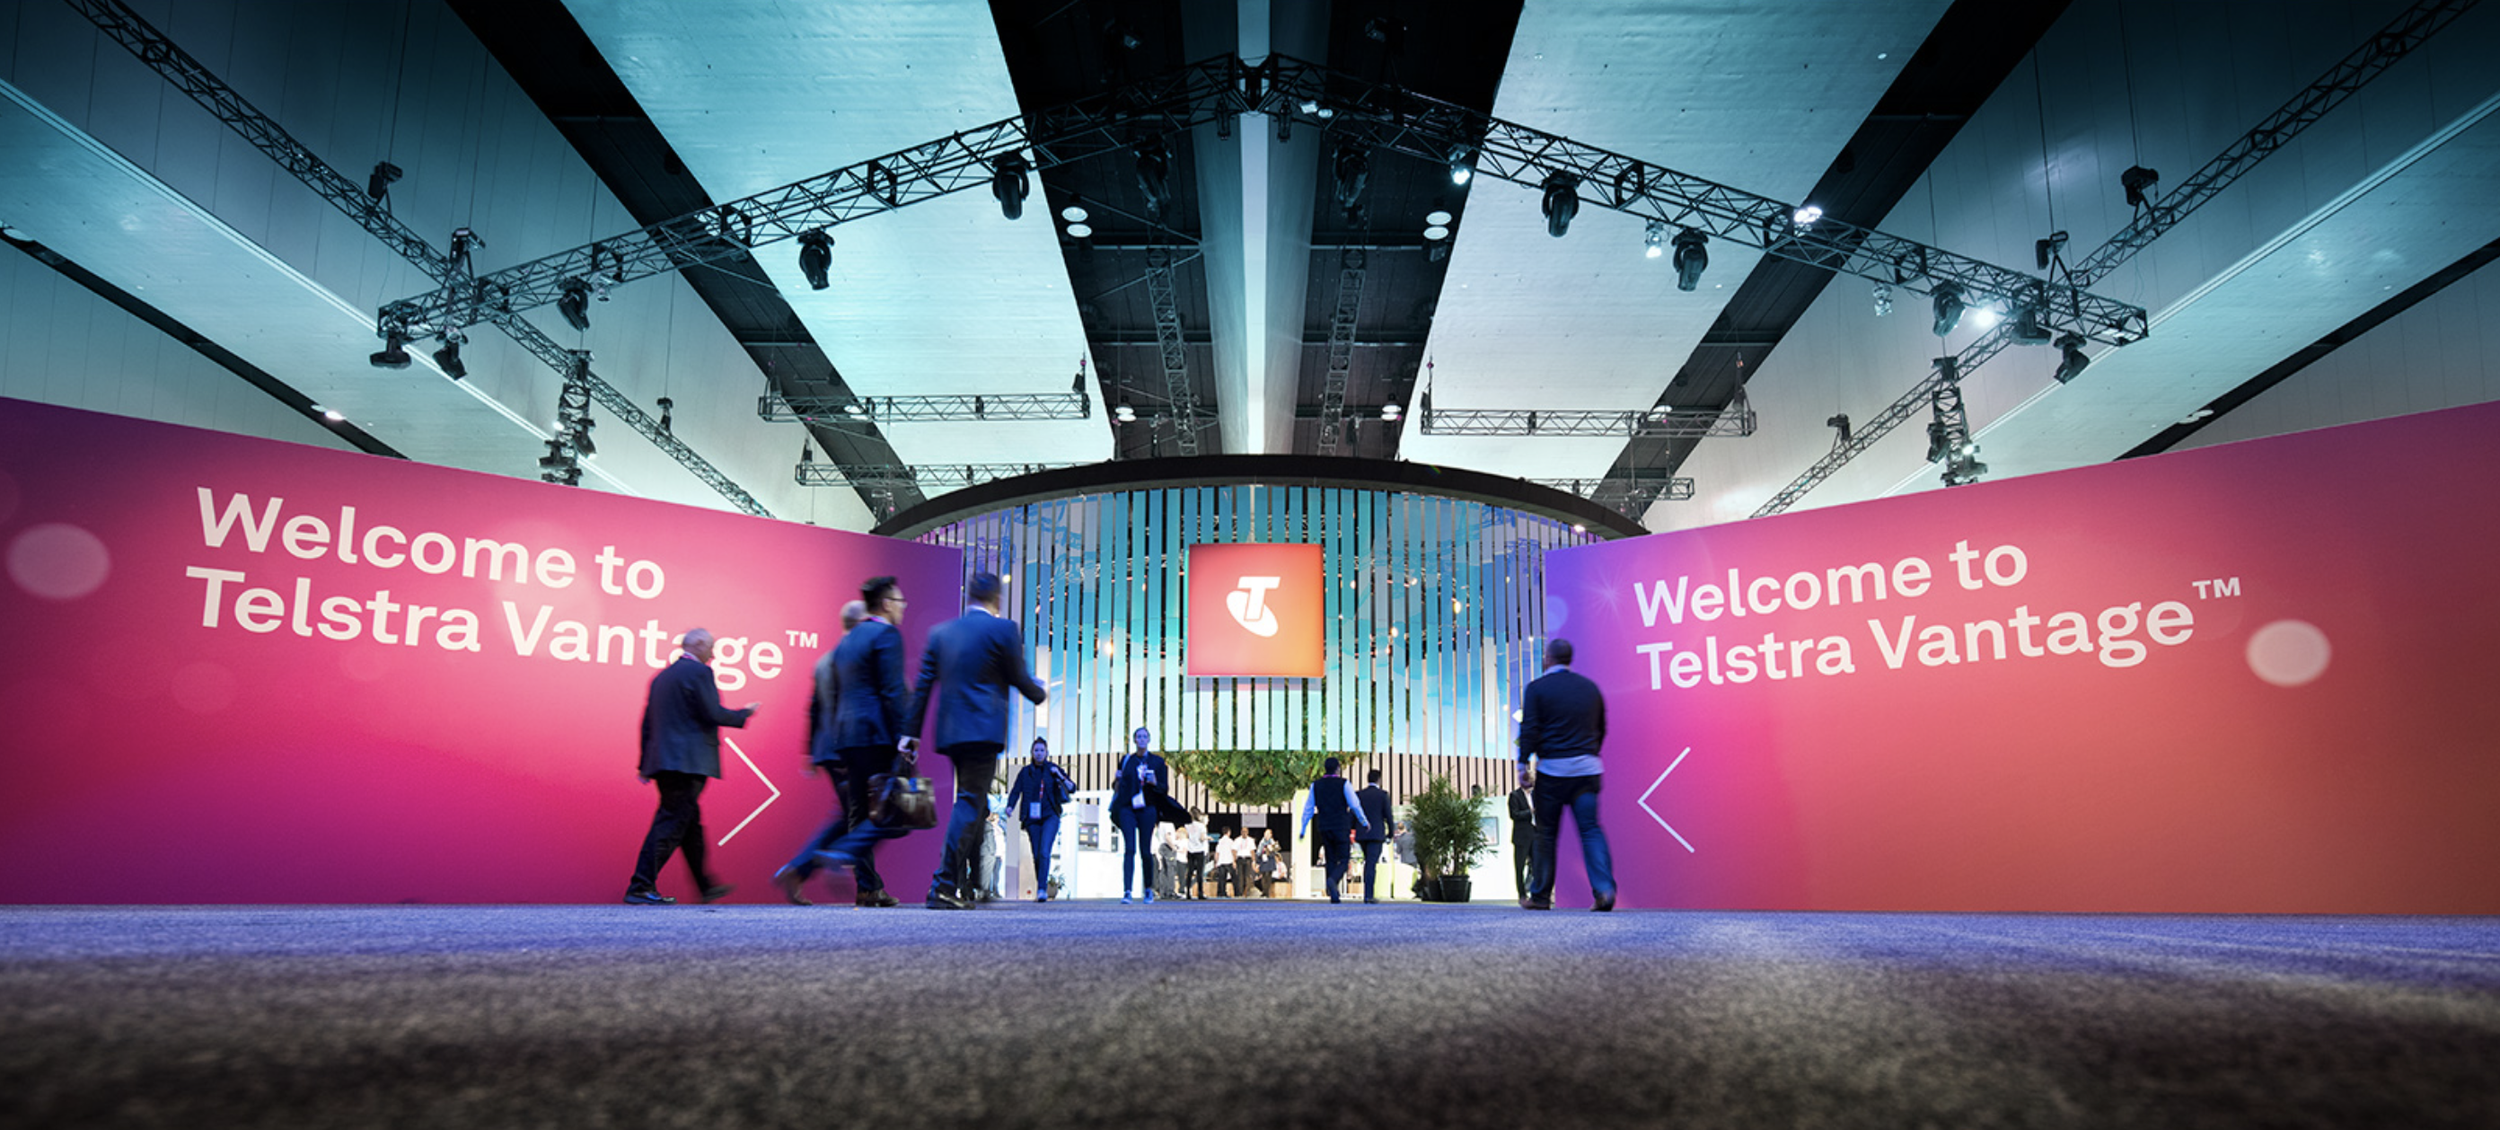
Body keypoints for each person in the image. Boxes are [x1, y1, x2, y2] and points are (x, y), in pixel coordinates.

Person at [902, 571, 1047, 910]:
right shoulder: (1003, 629)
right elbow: (1018, 677)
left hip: (952, 732)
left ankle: (952, 885)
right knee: (969, 803)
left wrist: (909, 734)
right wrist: (1039, 692)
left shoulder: (942, 632)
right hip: (983, 730)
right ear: (996, 598)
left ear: (969, 596)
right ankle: (942, 885)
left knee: (969, 802)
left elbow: (923, 685)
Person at [799, 578, 914, 907]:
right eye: (900, 600)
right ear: (886, 603)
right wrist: (904, 738)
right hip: (877, 734)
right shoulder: (886, 635)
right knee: (897, 813)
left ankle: (855, 871)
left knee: (859, 811)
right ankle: (842, 852)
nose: (903, 607)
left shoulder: (846, 642)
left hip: (846, 738)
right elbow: (893, 692)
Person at [625, 628, 757, 905]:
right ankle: (640, 885)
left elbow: (647, 723)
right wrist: (744, 714)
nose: (714, 653)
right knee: (672, 822)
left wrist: (643, 764)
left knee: (688, 825)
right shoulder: (700, 673)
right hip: (689, 762)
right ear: (697, 645)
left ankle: (704, 886)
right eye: (712, 647)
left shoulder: (661, 677)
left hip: (663, 762)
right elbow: (712, 713)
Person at [774, 600, 871, 906]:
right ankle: (806, 866)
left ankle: (863, 884)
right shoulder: (853, 660)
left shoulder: (825, 660)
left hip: (828, 748)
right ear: (861, 623)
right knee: (858, 818)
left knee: (851, 815)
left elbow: (814, 709)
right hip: (849, 747)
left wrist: (810, 753)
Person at [1518, 637, 1616, 912]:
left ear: (1548, 659)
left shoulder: (1537, 689)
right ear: (1569, 659)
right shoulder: (1590, 688)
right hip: (1587, 772)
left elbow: (1530, 729)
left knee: (1546, 834)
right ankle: (1604, 890)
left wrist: (1522, 765)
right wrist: (1587, 752)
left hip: (1552, 773)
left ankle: (1539, 897)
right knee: (1590, 830)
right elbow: (1602, 727)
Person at [1004, 737, 1075, 901]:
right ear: (1031, 752)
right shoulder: (1025, 772)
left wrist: (1059, 775)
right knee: (1036, 854)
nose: (1039, 753)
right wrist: (1010, 806)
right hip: (1032, 818)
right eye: (1036, 750)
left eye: (1042, 750)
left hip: (1051, 815)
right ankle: (1041, 885)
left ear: (1047, 752)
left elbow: (1072, 788)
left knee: (1044, 852)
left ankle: (1042, 889)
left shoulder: (1052, 769)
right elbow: (1016, 791)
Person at [1109, 726, 1171, 903]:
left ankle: (1148, 889)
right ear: (1134, 740)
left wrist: (1154, 782)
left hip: (1148, 807)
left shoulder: (1158, 762)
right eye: (1139, 737)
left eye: (1145, 736)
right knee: (1129, 848)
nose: (1142, 739)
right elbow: (1117, 787)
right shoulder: (1127, 760)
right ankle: (1127, 891)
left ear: (1149, 739)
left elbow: (1164, 789)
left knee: (1145, 850)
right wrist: (1117, 779)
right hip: (1128, 807)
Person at [1299, 757, 1370, 903]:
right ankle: (1333, 880)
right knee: (1344, 860)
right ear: (1338, 768)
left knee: (1330, 858)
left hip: (1324, 825)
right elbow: (1355, 804)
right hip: (1341, 825)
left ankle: (1334, 894)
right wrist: (1364, 821)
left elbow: (1308, 808)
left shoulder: (1316, 785)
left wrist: (1303, 827)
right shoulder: (1344, 783)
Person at [1355, 770, 1393, 904]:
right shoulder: (1383, 795)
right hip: (1377, 834)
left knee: (1368, 862)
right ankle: (1368, 895)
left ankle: (1367, 893)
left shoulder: (1359, 794)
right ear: (1379, 780)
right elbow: (1388, 815)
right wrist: (1391, 833)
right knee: (1371, 863)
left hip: (1362, 833)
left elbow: (1354, 812)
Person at [1507, 770, 1537, 899]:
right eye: (1529, 779)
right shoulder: (1515, 795)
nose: (1532, 781)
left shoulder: (1536, 795)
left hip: (1536, 835)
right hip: (1521, 836)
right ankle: (1522, 894)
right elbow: (1514, 815)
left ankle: (1534, 891)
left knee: (1537, 866)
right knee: (1519, 867)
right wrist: (1530, 812)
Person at [1183, 811, 1209, 899]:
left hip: (1190, 850)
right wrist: (1207, 838)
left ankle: (1187, 893)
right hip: (1199, 850)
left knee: (1189, 872)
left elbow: (1186, 836)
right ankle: (1200, 893)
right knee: (1199, 872)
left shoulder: (1187, 825)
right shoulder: (1201, 826)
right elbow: (1202, 838)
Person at [1212, 825, 1238, 897]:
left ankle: (1221, 893)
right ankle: (1237, 893)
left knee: (1222, 879)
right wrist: (1234, 861)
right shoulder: (1230, 841)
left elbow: (1217, 853)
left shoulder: (1220, 841)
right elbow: (1233, 852)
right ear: (1229, 832)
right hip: (1229, 861)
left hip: (1221, 862)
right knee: (1234, 879)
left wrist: (1216, 862)